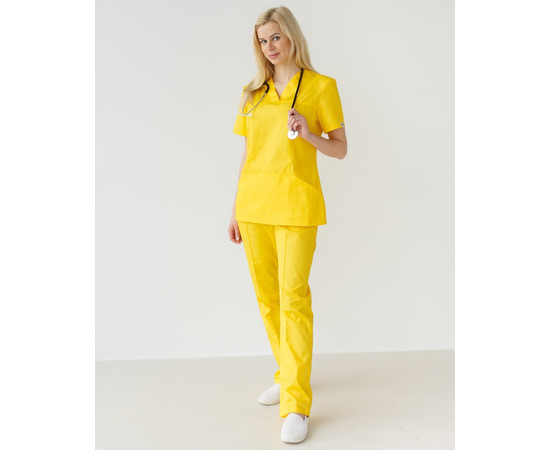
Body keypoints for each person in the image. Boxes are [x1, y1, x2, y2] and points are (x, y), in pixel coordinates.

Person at [228, 6, 347, 444]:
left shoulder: (321, 87)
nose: (269, 47)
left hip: (297, 207)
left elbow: (340, 148)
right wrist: (235, 209)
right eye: (262, 41)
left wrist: (310, 133)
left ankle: (296, 404)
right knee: (268, 299)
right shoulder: (252, 94)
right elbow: (248, 154)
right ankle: (286, 371)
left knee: (293, 299)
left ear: (291, 36)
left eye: (275, 37)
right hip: (254, 206)